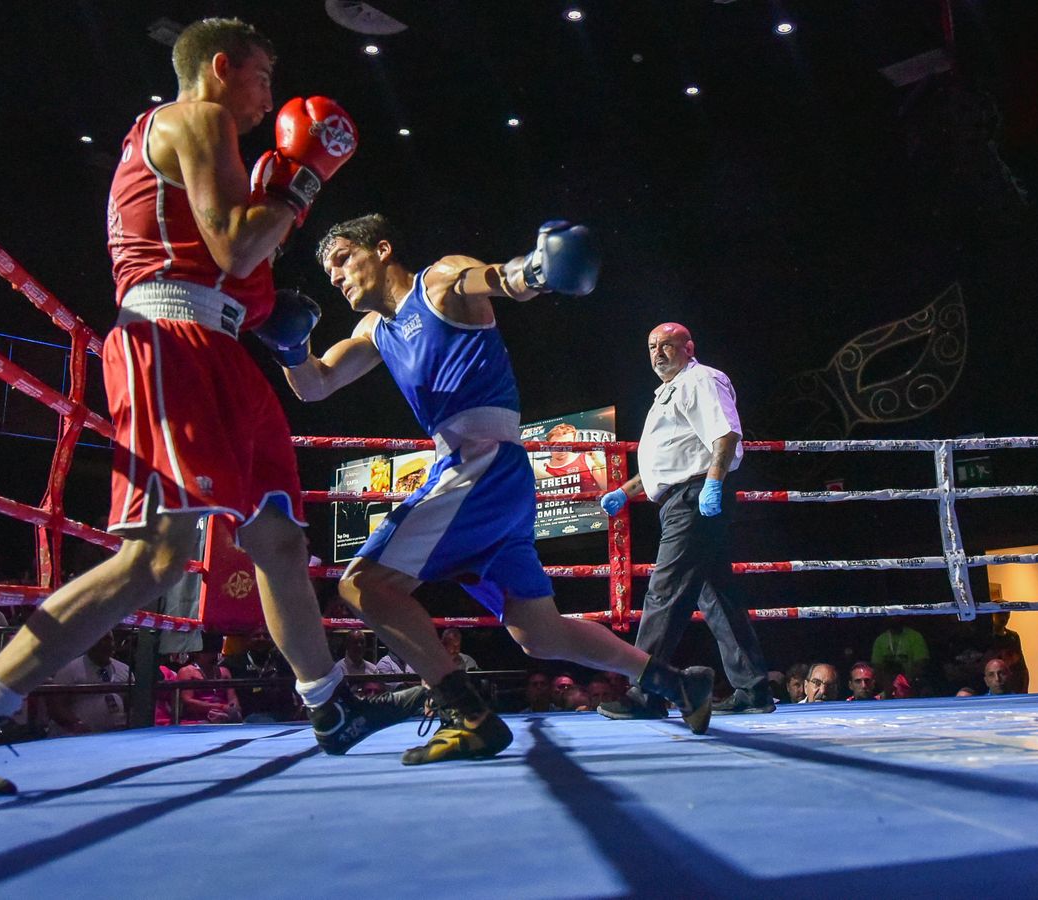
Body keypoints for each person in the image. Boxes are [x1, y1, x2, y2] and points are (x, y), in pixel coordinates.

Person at [0, 18, 421, 800]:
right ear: (221, 67)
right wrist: (302, 179)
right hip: (170, 338)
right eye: (264, 76)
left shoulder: (202, 141)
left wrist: (270, 298)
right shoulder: (193, 117)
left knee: (275, 535)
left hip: (218, 343)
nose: (269, 95)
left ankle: (330, 704)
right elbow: (235, 248)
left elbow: (231, 266)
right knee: (156, 560)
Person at [282, 213, 714, 764]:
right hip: (489, 476)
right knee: (540, 634)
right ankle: (678, 683)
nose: (336, 275)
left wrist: (535, 270)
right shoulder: (374, 330)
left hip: (479, 466)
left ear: (382, 248)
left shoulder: (438, 282)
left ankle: (470, 714)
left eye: (342, 258)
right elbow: (316, 384)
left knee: (364, 585)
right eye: (328, 270)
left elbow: (497, 278)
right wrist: (291, 348)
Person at [597, 322, 774, 719]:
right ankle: (753, 688)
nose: (658, 353)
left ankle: (647, 693)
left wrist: (712, 485)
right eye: (652, 347)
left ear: (688, 347)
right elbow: (671, 457)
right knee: (717, 596)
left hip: (695, 497)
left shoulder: (701, 379)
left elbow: (725, 435)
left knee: (665, 592)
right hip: (685, 495)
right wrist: (624, 492)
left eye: (667, 345)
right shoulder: (668, 393)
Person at [45, 633, 132, 735]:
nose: (104, 644)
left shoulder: (125, 670)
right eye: (99, 640)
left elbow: (131, 703)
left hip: (113, 737)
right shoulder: (69, 670)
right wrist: (76, 725)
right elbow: (56, 706)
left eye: (108, 639)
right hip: (75, 739)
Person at [870, 621, 930, 688]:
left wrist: (906, 681)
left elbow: (920, 665)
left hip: (910, 685)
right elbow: (876, 668)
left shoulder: (915, 637)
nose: (894, 618)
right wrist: (887, 685)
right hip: (887, 686)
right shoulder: (880, 640)